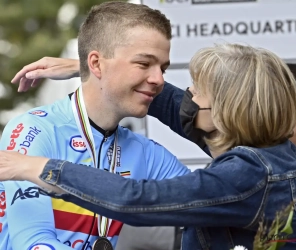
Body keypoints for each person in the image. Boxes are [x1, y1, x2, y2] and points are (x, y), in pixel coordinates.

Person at [1, 44, 296, 250]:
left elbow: (135, 200)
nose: (190, 97)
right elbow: (176, 108)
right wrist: (101, 73)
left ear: (226, 110)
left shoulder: (246, 175)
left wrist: (37, 167)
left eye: (199, 92)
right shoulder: (276, 157)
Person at [0, 2, 191, 250]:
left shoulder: (146, 153)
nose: (159, 80)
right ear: (97, 64)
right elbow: (34, 244)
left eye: (163, 68)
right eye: (144, 64)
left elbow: (215, 205)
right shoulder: (34, 130)